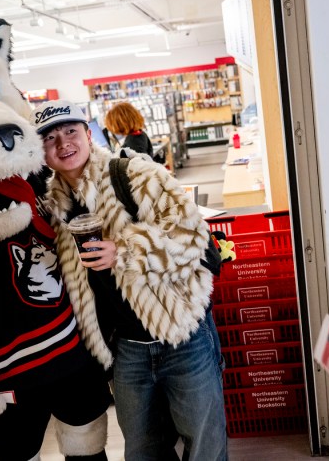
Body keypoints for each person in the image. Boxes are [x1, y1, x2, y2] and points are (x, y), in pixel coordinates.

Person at [33, 99, 227, 461]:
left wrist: (123, 251)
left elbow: (191, 235)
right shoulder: (52, 209)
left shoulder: (135, 174)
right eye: (50, 138)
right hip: (126, 351)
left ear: (88, 135)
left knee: (205, 448)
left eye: (71, 131)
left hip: (183, 336)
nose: (63, 144)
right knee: (142, 452)